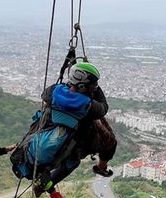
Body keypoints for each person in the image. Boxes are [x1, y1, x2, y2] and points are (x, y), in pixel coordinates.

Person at [39, 62, 116, 190]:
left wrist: (71, 83)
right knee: (110, 142)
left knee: (71, 160)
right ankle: (100, 168)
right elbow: (103, 107)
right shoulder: (88, 105)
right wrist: (96, 89)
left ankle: (43, 186)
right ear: (84, 86)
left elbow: (45, 95)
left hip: (51, 128)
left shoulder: (53, 92)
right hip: (78, 137)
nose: (94, 87)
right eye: (93, 85)